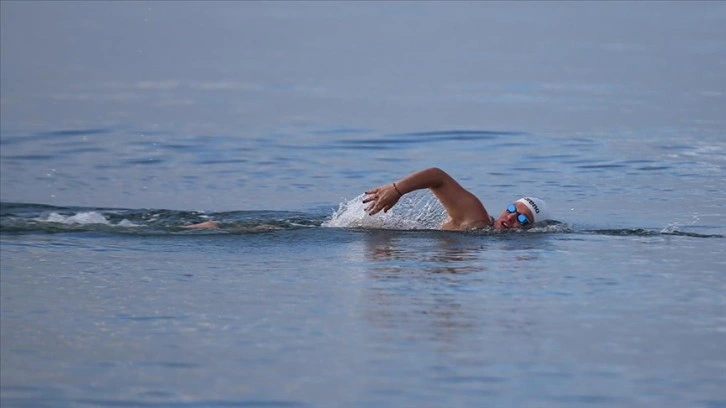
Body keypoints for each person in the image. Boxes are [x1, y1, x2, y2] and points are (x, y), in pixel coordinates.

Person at [363, 167, 551, 230]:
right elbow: (437, 176)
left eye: (522, 219)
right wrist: (396, 190)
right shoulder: (477, 218)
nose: (511, 217)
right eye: (512, 210)